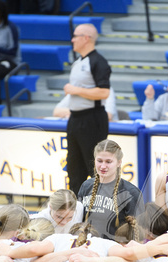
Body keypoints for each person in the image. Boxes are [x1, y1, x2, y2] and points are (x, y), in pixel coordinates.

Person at [63, 23, 111, 195]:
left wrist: (76, 91)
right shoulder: (77, 62)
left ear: (86, 38)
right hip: (75, 119)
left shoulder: (98, 61)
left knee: (93, 167)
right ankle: (74, 210)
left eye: (75, 36)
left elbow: (104, 92)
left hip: (92, 120)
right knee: (74, 168)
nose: (72, 40)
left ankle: (98, 209)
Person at [53, 87, 118, 122]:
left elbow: (108, 116)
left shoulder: (105, 90)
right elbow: (56, 112)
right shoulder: (77, 89)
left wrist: (77, 113)